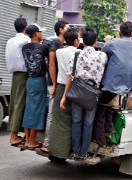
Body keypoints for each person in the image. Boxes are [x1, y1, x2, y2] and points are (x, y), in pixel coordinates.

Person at [94, 21, 132, 147]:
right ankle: (110, 133)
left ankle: (101, 142)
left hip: (110, 84)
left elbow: (102, 58)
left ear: (119, 33)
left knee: (100, 112)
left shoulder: (111, 44)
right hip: (126, 87)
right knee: (110, 110)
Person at [61, 27, 108, 159]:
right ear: (95, 41)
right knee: (88, 123)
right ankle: (83, 153)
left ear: (83, 40)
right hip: (92, 94)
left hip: (77, 92)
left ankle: (76, 151)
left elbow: (70, 76)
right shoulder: (102, 56)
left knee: (76, 122)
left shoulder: (76, 54)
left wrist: (64, 96)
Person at [47, 28, 80, 158]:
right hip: (75, 88)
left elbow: (51, 64)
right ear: (76, 40)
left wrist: (53, 85)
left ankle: (55, 151)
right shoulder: (79, 52)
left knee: (58, 120)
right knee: (71, 121)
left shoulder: (59, 51)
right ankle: (67, 151)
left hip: (61, 87)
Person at [41, 20, 69, 152]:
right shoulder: (54, 44)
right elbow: (50, 64)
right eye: (67, 28)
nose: (69, 29)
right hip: (54, 84)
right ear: (61, 30)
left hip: (56, 83)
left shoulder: (61, 45)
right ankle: (46, 143)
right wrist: (54, 84)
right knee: (51, 113)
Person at [22, 24, 49, 149]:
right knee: (37, 110)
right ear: (36, 34)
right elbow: (49, 63)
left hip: (29, 80)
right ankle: (31, 140)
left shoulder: (24, 47)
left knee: (29, 109)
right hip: (39, 81)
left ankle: (27, 139)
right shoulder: (43, 47)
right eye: (40, 32)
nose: (41, 34)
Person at [5, 18, 31, 145]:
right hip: (23, 74)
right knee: (20, 103)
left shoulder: (10, 41)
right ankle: (14, 136)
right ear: (25, 28)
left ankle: (13, 133)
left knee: (14, 103)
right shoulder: (26, 40)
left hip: (14, 74)